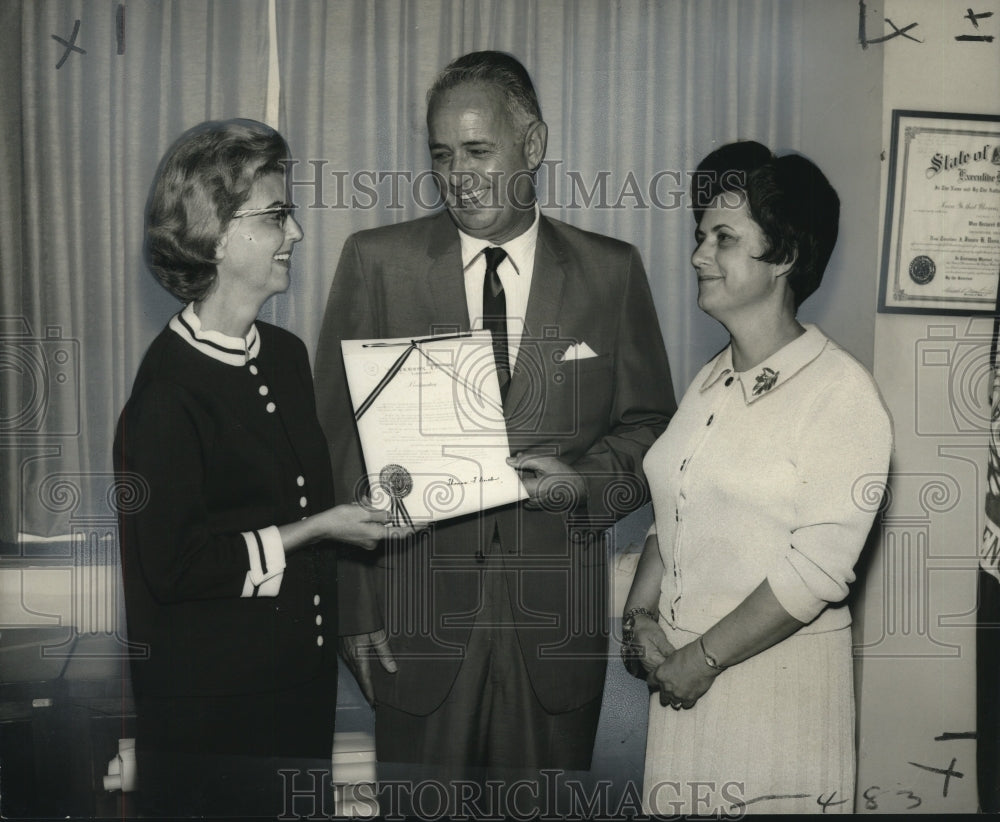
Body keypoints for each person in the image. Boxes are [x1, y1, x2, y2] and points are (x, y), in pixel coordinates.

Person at [314, 51, 676, 813]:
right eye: (442, 157)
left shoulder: (610, 273)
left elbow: (650, 424)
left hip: (554, 634)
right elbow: (335, 447)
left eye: (479, 152)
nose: (459, 176)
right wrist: (355, 608)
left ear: (533, 145)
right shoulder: (377, 264)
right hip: (414, 629)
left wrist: (587, 484)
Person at [113, 119, 413, 817]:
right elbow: (177, 567)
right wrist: (314, 530)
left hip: (295, 700)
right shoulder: (167, 395)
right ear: (214, 234)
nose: (297, 234)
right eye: (278, 215)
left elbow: (294, 492)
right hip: (212, 727)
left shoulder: (280, 354)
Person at [621, 140, 892, 815]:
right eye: (699, 235)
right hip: (684, 680)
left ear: (787, 258)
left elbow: (818, 571)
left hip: (774, 690)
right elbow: (674, 509)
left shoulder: (840, 393)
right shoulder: (712, 379)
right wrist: (640, 614)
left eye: (724, 238)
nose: (698, 255)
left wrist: (702, 659)